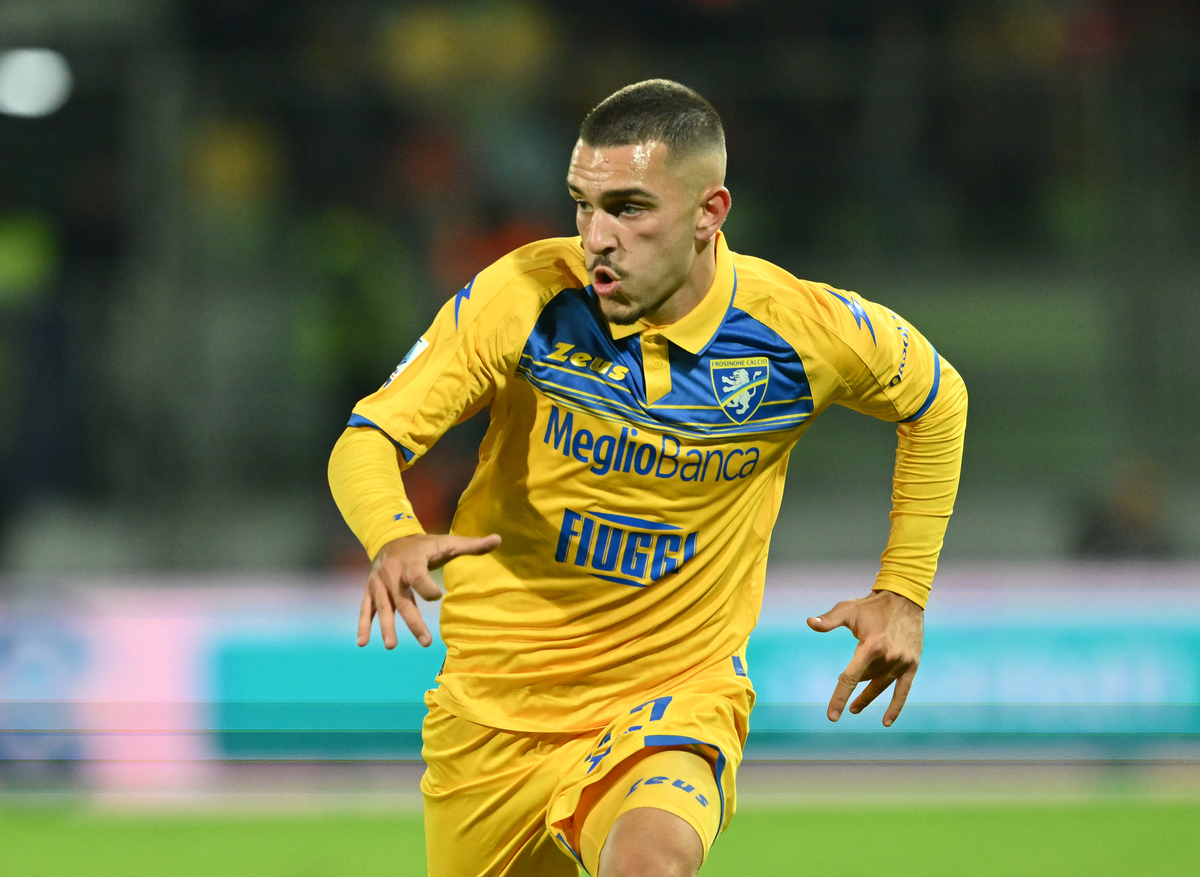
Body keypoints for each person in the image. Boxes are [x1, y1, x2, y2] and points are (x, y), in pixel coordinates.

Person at [328, 79, 967, 877]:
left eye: (630, 208)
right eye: (582, 205)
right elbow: (368, 437)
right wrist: (391, 531)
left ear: (710, 212)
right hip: (495, 714)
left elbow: (939, 400)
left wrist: (903, 590)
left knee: (650, 865)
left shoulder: (799, 330)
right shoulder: (524, 296)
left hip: (673, 695)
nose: (597, 236)